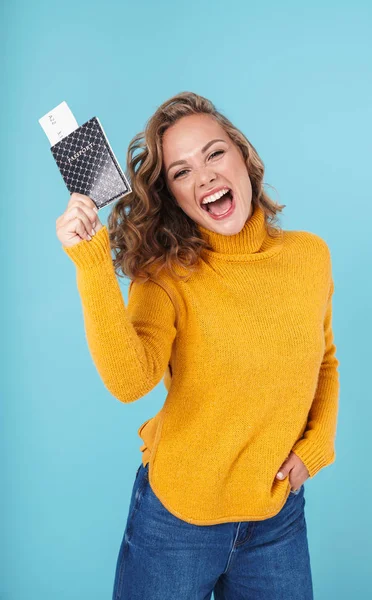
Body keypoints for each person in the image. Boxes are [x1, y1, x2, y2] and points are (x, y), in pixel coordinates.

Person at [56, 92, 340, 600]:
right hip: (176, 523)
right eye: (181, 172)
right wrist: (92, 264)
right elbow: (130, 381)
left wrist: (317, 446)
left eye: (214, 153)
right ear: (172, 195)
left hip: (275, 518)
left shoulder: (309, 257)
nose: (205, 176)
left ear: (243, 157)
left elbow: (324, 360)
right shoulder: (165, 275)